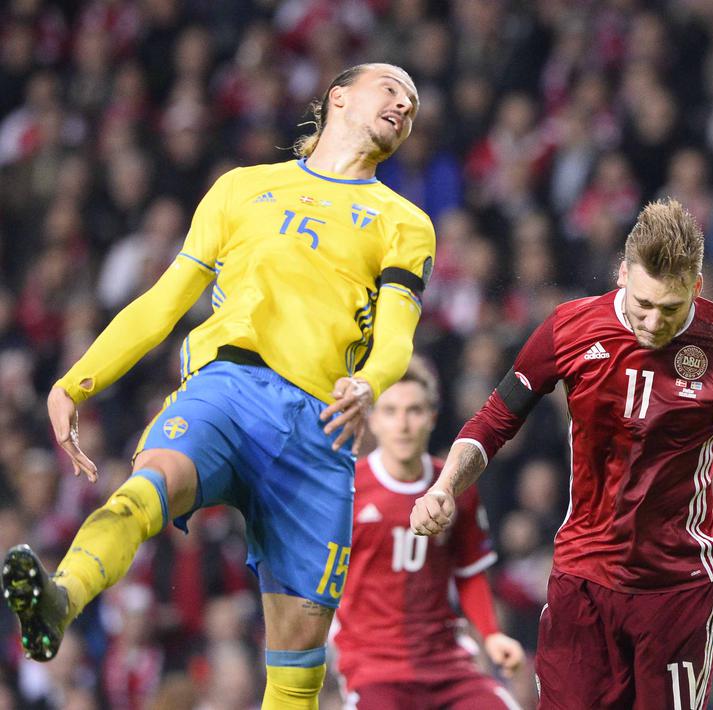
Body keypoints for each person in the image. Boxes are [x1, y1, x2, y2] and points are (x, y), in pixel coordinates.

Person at [2, 62, 435, 710]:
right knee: (149, 482)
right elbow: (165, 300)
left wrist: (371, 383)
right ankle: (59, 601)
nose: (404, 105)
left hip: (321, 424)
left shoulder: (403, 221)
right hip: (228, 385)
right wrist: (77, 380)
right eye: (391, 89)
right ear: (338, 97)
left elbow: (397, 334)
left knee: (297, 659)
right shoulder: (241, 190)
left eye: (413, 103)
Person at [411, 198, 713, 709]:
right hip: (583, 577)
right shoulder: (569, 328)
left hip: (677, 589)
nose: (654, 321)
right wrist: (444, 487)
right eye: (643, 303)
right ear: (622, 273)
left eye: (671, 307)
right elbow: (494, 421)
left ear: (697, 288)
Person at [331, 359, 524, 709]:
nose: (403, 424)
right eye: (390, 411)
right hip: (373, 667)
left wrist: (492, 634)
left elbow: (470, 572)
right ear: (372, 419)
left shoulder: (455, 486)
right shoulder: (347, 489)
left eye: (414, 410)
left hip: (446, 661)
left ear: (432, 417)